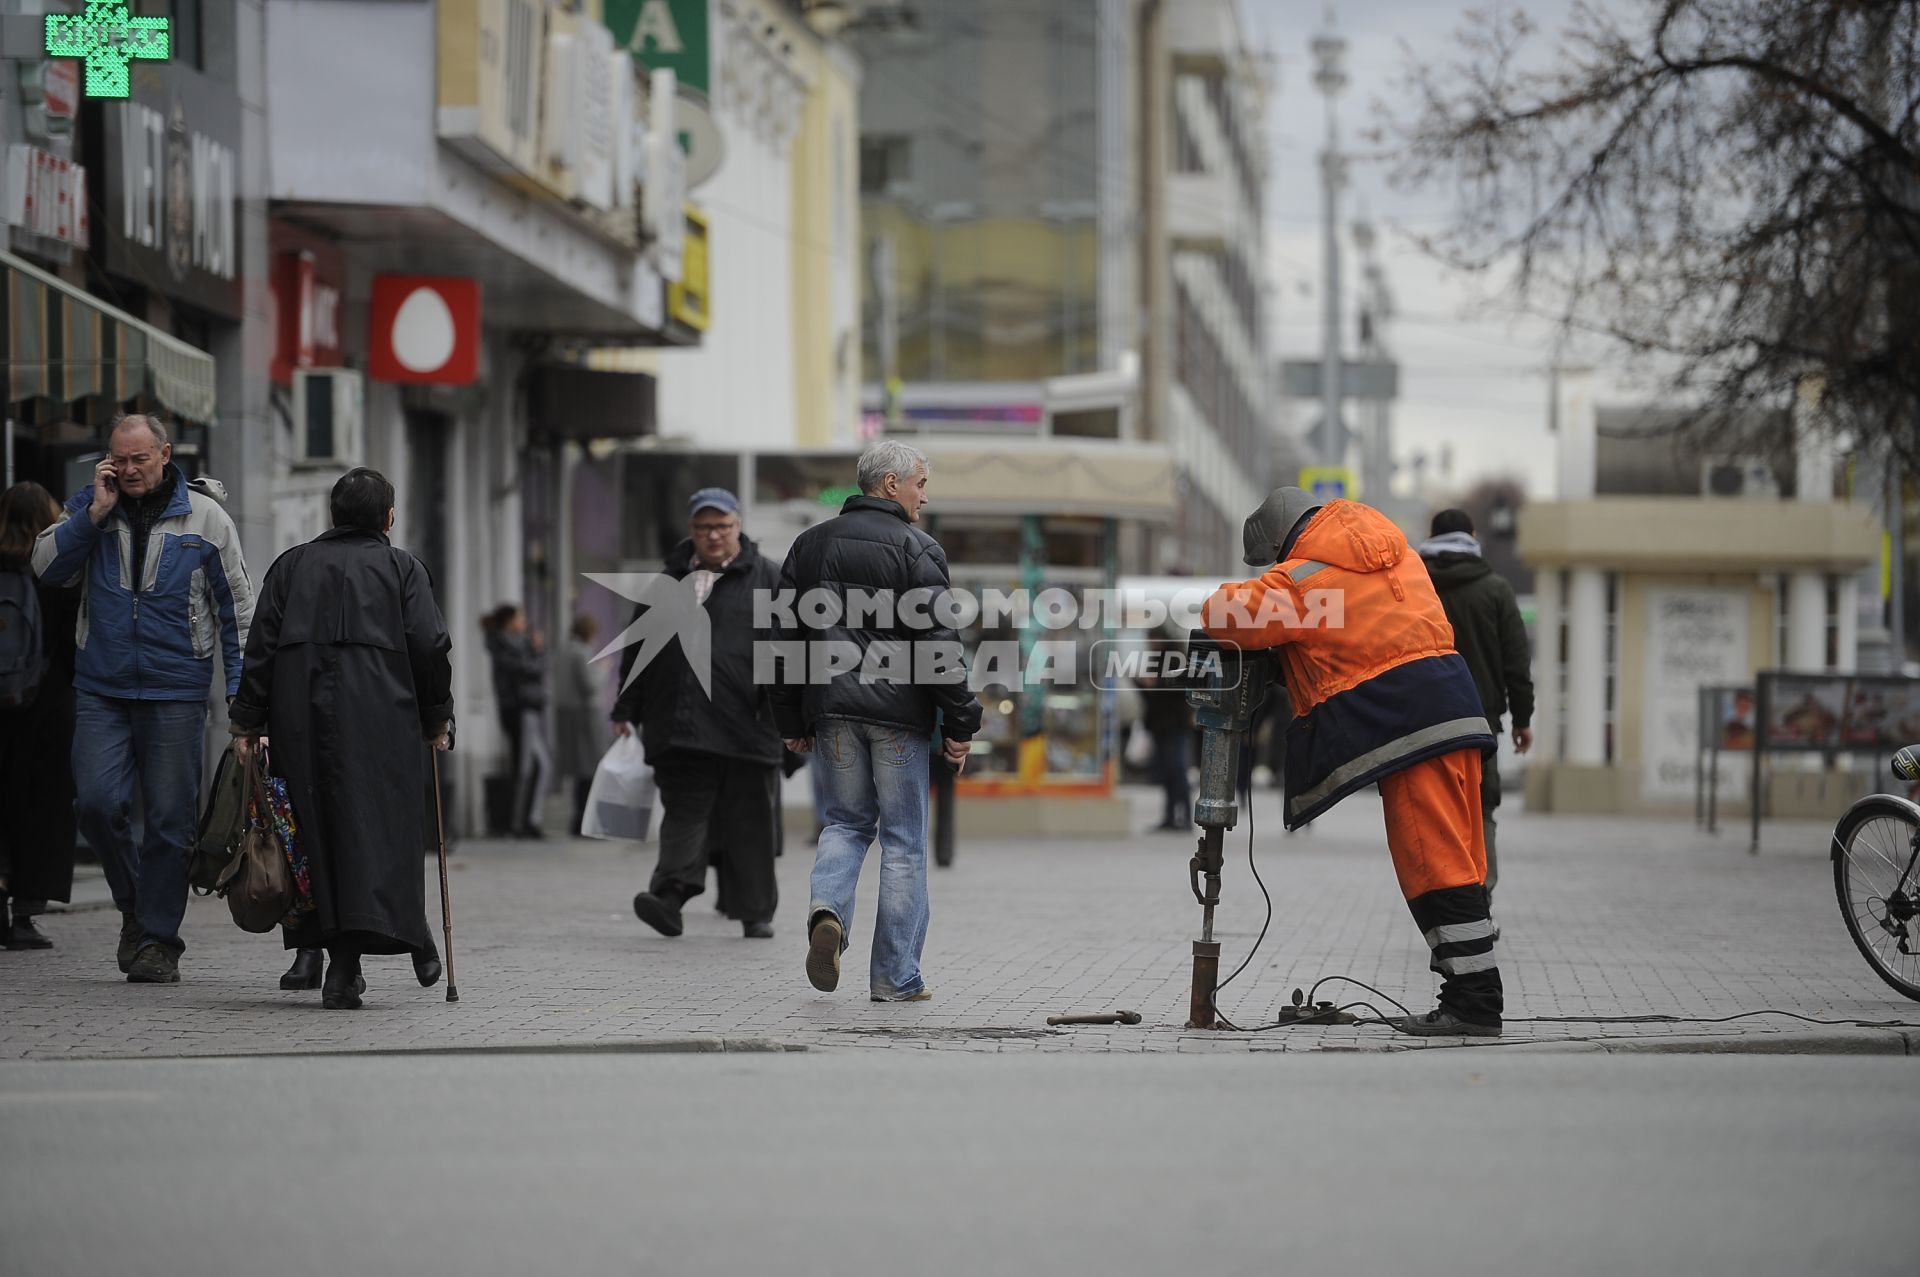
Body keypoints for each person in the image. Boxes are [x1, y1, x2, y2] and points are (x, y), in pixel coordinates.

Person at [1202, 487, 1501, 1036]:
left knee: (1431, 865)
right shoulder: (1397, 553)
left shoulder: (1304, 579)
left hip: (1408, 729)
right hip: (1458, 713)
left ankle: (1474, 1004)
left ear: (1282, 540)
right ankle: (1473, 993)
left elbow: (1224, 615)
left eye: (1274, 557)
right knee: (1465, 862)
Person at [32, 414, 254, 984]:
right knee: (97, 805)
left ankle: (158, 940)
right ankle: (134, 905)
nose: (128, 470)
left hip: (176, 690)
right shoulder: (90, 508)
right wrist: (94, 514)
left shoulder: (205, 518)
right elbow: (46, 568)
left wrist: (242, 700)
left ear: (164, 454)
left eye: (139, 459)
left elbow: (239, 614)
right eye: (119, 460)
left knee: (169, 823)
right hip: (101, 687)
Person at [229, 468, 453, 1010]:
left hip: (299, 724)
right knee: (377, 834)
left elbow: (259, 646)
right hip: (384, 727)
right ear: (388, 517)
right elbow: (429, 647)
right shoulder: (403, 569)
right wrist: (436, 719)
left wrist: (249, 720)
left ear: (333, 515)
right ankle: (382, 951)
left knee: (311, 836)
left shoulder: (291, 566)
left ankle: (341, 964)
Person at [773, 441, 982, 1002]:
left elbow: (783, 638)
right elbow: (940, 645)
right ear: (891, 485)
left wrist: (789, 717)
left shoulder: (808, 546)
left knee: (844, 824)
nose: (924, 495)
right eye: (920, 483)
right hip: (897, 719)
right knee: (905, 843)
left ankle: (828, 913)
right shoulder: (919, 549)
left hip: (832, 712)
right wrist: (962, 722)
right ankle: (895, 976)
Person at [615, 488, 783, 940]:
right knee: (685, 815)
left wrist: (790, 715)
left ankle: (754, 912)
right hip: (680, 723)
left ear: (738, 526)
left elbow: (794, 650)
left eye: (722, 526)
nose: (713, 535)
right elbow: (636, 650)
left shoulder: (771, 580)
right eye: (704, 527)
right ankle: (668, 898)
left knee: (749, 821)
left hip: (749, 726)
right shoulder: (666, 584)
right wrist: (625, 706)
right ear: (691, 531)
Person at [1417, 509, 1534, 908]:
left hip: (1420, 723)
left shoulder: (1414, 586)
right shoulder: (1496, 589)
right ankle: (1479, 899)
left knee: (1430, 814)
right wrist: (1522, 719)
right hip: (1479, 724)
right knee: (1481, 810)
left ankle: (1440, 902)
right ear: (1471, 537)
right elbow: (1516, 661)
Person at [0, 483, 78, 949]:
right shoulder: (56, 570)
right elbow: (73, 640)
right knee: (42, 808)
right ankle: (26, 914)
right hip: (47, 703)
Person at [482, 603, 551, 837]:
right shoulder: (504, 645)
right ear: (509, 621)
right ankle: (519, 821)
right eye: (520, 617)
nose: (524, 621)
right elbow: (530, 670)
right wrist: (538, 651)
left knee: (540, 764)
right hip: (518, 709)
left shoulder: (516, 644)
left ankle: (529, 818)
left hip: (526, 709)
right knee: (524, 766)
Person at [555, 613, 611, 836]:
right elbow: (590, 685)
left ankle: (580, 820)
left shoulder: (564, 650)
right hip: (584, 716)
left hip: (567, 714)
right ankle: (585, 822)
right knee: (590, 768)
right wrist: (603, 669)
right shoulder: (581, 653)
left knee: (580, 769)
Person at [1137, 635, 1193, 830]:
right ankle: (1170, 815)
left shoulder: (1176, 659)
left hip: (1174, 724)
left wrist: (1156, 684)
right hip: (1159, 725)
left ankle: (1186, 816)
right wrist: (1141, 684)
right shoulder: (1156, 660)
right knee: (1166, 772)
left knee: (1177, 770)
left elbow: (1178, 690)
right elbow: (1150, 696)